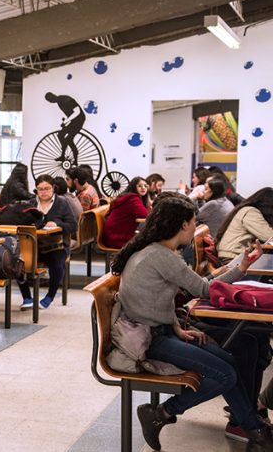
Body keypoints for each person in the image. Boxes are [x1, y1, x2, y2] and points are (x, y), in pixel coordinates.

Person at [113, 197, 273, 452]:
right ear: (182, 225)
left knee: (230, 363)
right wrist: (241, 268)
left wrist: (176, 326)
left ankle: (255, 430)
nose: (195, 226)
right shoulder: (163, 256)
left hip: (160, 331)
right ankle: (163, 412)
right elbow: (206, 289)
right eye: (194, 222)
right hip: (150, 340)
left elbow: (157, 298)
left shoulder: (155, 251)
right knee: (226, 373)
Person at [18, 175, 77, 310]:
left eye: (47, 188)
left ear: (53, 188)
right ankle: (27, 297)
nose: (43, 192)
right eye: (40, 189)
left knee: (57, 263)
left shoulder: (62, 203)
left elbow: (73, 226)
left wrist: (58, 224)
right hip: (34, 245)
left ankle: (50, 296)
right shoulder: (31, 204)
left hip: (57, 245)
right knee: (17, 260)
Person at [216, 188, 273, 263]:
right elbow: (269, 236)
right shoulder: (251, 212)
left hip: (233, 256)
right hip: (232, 259)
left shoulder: (247, 209)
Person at [101, 177, 149, 249]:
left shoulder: (127, 196)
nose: (143, 188)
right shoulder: (133, 198)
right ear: (133, 187)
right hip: (117, 239)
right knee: (149, 242)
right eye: (139, 186)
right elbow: (144, 215)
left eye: (145, 186)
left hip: (111, 235)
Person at [45, 92, 85, 164]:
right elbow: (70, 113)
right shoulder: (59, 102)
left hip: (79, 120)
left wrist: (66, 121)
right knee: (60, 135)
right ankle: (63, 154)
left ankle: (75, 158)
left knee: (68, 139)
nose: (51, 101)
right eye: (50, 101)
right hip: (73, 121)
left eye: (51, 99)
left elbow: (77, 112)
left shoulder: (66, 99)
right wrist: (66, 122)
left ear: (53, 95)